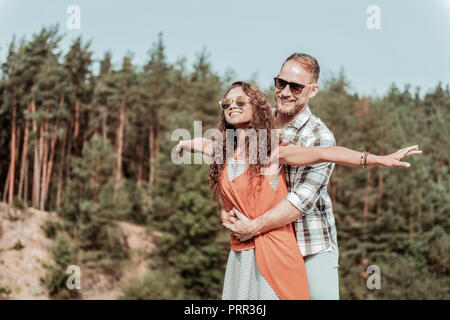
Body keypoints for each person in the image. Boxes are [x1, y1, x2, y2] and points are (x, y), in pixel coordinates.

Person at [176, 79, 421, 300]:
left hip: (273, 250)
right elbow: (203, 145)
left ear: (256, 107)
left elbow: (324, 153)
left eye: (241, 100)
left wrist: (379, 159)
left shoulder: (270, 149)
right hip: (241, 251)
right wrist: (184, 144)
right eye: (226, 102)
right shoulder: (224, 149)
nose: (232, 105)